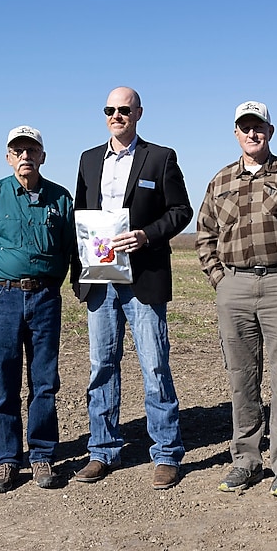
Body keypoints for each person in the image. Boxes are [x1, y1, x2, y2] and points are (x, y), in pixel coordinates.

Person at [196, 101, 277, 497]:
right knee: (241, 378)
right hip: (234, 288)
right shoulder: (220, 180)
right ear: (236, 132)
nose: (252, 133)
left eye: (259, 126)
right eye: (245, 127)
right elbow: (204, 236)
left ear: (270, 129)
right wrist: (219, 277)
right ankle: (246, 461)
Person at [72, 86, 193, 490]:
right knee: (100, 368)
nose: (117, 115)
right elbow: (79, 216)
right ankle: (102, 450)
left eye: (124, 109)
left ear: (139, 112)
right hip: (100, 280)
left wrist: (147, 235)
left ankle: (166, 453)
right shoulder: (89, 160)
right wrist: (79, 275)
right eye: (110, 109)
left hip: (143, 279)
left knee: (154, 365)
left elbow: (181, 211)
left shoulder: (160, 158)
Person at [0, 125, 76, 493]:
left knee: (44, 381)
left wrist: (50, 283)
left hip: (45, 297)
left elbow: (68, 248)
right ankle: (6, 458)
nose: (25, 157)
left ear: (43, 156)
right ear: (8, 157)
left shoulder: (60, 199)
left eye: (32, 150)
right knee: (5, 381)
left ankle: (43, 454)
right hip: (2, 297)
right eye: (17, 151)